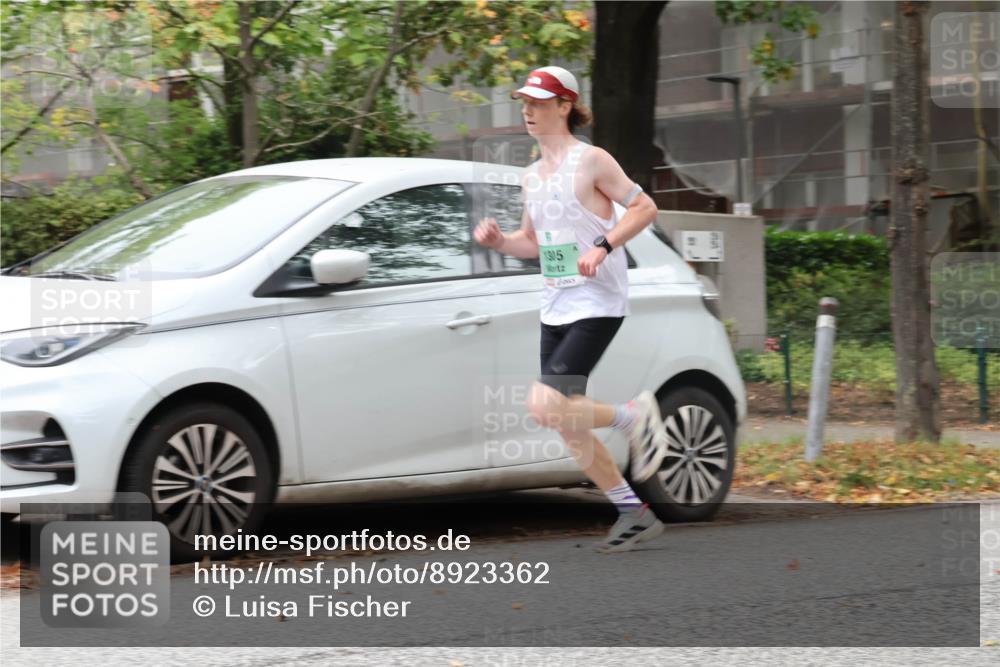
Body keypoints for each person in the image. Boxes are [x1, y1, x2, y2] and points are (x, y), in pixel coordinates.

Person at [474, 66, 669, 553]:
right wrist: (502, 242)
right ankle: (632, 510)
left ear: (565, 106)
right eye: (525, 102)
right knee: (562, 419)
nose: (528, 110)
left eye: (539, 102)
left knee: (543, 404)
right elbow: (533, 244)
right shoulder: (531, 177)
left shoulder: (592, 161)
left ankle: (634, 416)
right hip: (556, 302)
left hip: (598, 299)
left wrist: (603, 245)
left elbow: (645, 208)